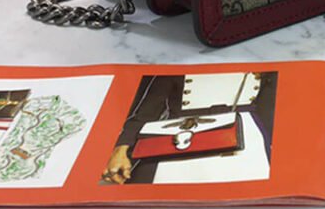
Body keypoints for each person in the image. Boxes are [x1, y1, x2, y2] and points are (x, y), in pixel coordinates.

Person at [102, 71, 277, 185]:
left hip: (245, 140)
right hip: (178, 136)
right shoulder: (171, 60)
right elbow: (148, 109)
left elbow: (274, 111)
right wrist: (121, 149)